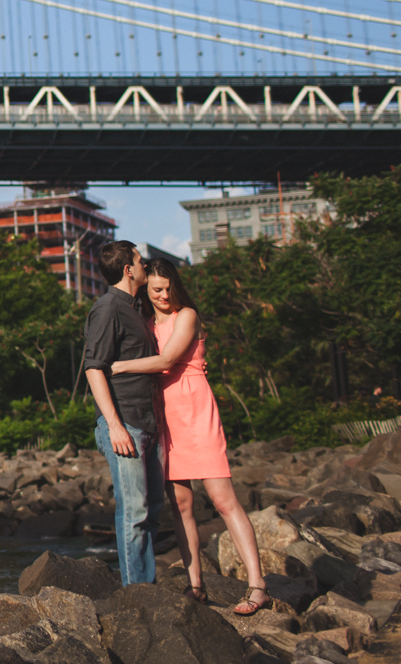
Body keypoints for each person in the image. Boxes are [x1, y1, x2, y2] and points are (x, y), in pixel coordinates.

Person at [111, 257, 269, 615]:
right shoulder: (146, 322)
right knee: (181, 505)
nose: (165, 294)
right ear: (146, 291)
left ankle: (258, 586)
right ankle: (196, 585)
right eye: (156, 289)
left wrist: (118, 366)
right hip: (164, 414)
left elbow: (167, 361)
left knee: (223, 500)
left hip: (195, 409)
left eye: (169, 287)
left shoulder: (187, 315)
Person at [83, 240, 163, 586]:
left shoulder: (134, 307)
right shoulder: (108, 308)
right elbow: (93, 368)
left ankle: (146, 586)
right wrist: (115, 427)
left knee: (151, 512)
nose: (145, 265)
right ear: (129, 270)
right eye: (140, 261)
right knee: (134, 513)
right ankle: (137, 596)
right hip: (125, 424)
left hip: (147, 423)